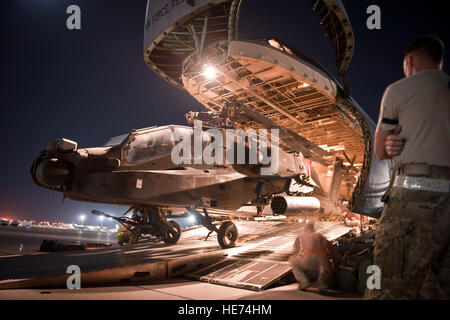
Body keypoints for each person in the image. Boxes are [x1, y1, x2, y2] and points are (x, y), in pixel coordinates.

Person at [367, 35, 450, 299]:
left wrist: (391, 144)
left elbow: (379, 151)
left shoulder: (399, 90)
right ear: (440, 61)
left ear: (410, 60)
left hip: (412, 201)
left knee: (388, 286)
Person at [289, 221, 338, 293]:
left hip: (308, 261)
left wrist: (300, 256)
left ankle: (304, 281)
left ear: (305, 229)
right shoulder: (320, 236)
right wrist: (335, 264)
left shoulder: (300, 237)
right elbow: (332, 250)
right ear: (314, 229)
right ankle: (322, 283)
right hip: (322, 262)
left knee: (292, 260)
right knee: (325, 266)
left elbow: (295, 252)